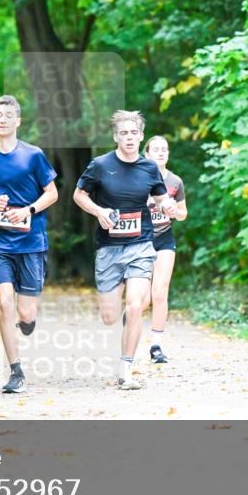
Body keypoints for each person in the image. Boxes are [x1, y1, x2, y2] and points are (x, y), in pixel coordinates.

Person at [73, 110, 175, 390]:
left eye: (133, 133)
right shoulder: (100, 165)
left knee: (135, 306)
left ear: (140, 136)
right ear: (116, 136)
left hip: (140, 245)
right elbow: (78, 195)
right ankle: (115, 317)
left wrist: (168, 205)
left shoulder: (149, 168)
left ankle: (126, 368)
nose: (129, 138)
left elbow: (160, 196)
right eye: (123, 133)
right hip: (108, 248)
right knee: (109, 315)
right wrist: (98, 211)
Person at [0, 95, 58, 394]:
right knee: (4, 301)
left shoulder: (33, 155)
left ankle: (28, 321)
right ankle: (15, 370)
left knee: (25, 313)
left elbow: (52, 193)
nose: (2, 119)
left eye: (7, 115)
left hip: (31, 242)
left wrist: (28, 209)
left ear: (18, 121)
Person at [141, 136, 187, 364]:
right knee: (143, 299)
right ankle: (126, 330)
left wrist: (174, 213)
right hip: (139, 241)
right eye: (156, 149)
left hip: (164, 240)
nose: (161, 152)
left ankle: (156, 347)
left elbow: (183, 213)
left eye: (164, 149)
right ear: (147, 154)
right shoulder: (138, 178)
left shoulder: (175, 181)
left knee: (160, 292)